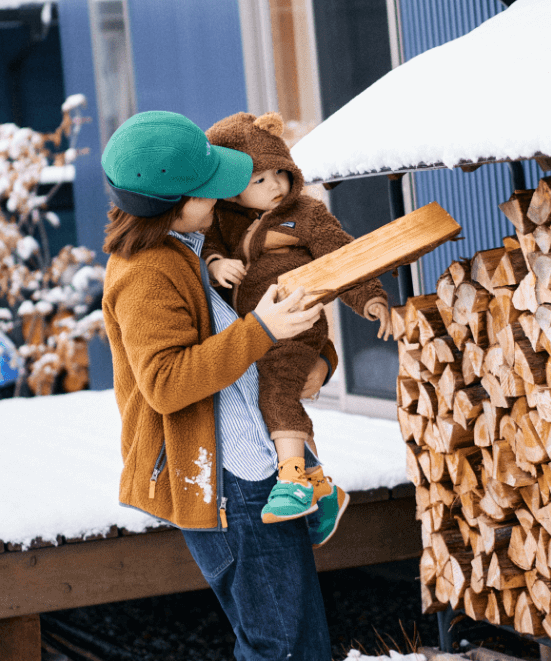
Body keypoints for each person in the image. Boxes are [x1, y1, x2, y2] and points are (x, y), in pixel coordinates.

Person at [100, 110, 333, 661]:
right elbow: (166, 382)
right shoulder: (145, 274)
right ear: (171, 204)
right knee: (278, 645)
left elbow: (249, 324)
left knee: (301, 636)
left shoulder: (191, 244)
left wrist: (319, 357)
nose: (222, 197)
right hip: (229, 486)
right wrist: (262, 331)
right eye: (208, 190)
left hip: (255, 468)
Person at [202, 112, 391, 530]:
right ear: (232, 192)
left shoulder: (305, 213)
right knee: (272, 393)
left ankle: (292, 480)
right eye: (259, 180)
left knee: (276, 391)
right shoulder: (222, 220)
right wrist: (216, 263)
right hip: (254, 329)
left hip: (297, 323)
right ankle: (320, 483)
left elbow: (344, 259)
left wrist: (371, 300)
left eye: (280, 174)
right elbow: (210, 247)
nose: (275, 186)